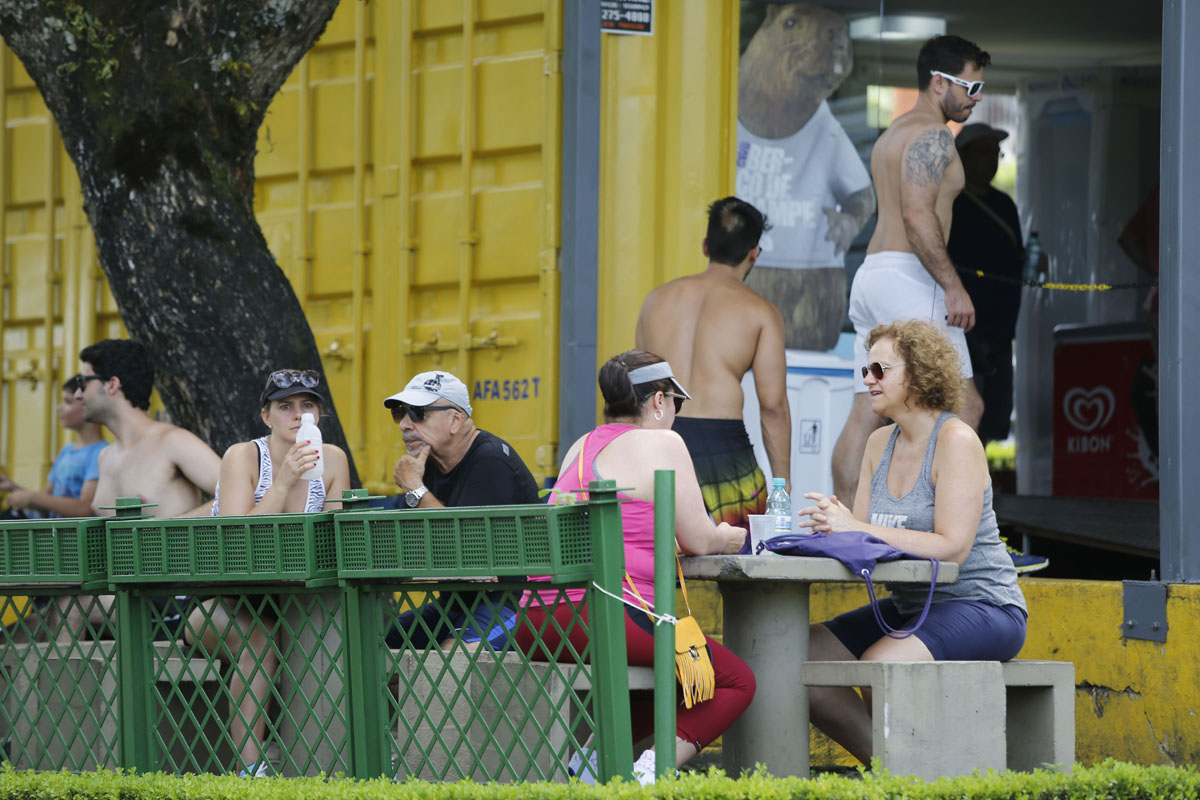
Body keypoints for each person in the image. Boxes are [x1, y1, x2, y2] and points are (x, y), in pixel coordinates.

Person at [515, 350, 754, 784]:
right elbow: (700, 541)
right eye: (675, 403)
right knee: (735, 680)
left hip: (537, 622)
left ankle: (587, 768)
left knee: (661, 679)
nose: (676, 414)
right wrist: (728, 536)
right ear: (659, 400)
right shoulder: (663, 443)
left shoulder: (580, 447)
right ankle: (650, 773)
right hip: (603, 617)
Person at [798, 320, 1027, 765]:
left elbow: (953, 547)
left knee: (880, 662)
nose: (868, 380)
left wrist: (855, 528)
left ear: (919, 374)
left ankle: (904, 775)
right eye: (865, 370)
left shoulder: (956, 440)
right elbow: (863, 540)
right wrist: (830, 527)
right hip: (912, 606)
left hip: (983, 605)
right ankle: (892, 769)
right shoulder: (878, 443)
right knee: (797, 653)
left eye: (880, 370)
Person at [831, 34, 989, 505]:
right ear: (939, 82)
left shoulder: (892, 133)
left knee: (867, 409)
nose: (976, 99)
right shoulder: (933, 136)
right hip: (909, 279)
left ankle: (848, 523)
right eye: (971, 88)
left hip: (872, 275)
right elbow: (917, 215)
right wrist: (953, 287)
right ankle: (933, 518)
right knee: (966, 407)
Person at [192, 369, 351, 777]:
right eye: (285, 407)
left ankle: (350, 760)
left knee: (342, 630)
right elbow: (234, 540)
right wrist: (282, 483)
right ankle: (250, 770)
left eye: (308, 405)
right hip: (223, 602)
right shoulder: (243, 456)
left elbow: (335, 539)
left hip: (298, 601)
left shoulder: (332, 458)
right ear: (267, 416)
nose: (298, 415)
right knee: (260, 639)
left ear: (319, 415)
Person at [636, 197, 790, 543]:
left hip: (660, 442)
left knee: (660, 550)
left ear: (706, 246)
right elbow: (773, 407)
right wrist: (784, 487)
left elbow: (638, 391)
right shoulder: (762, 312)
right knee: (738, 554)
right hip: (725, 453)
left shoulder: (655, 301)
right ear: (754, 253)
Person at [736, 2, 875, 350]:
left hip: (808, 296)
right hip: (740, 283)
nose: (835, 38)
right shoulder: (724, 110)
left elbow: (863, 197)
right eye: (792, 24)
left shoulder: (826, 130)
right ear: (769, 25)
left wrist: (849, 223)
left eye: (839, 34)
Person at [64, 339, 221, 640]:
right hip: (124, 597)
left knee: (72, 605)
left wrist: (164, 528)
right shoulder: (105, 457)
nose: (78, 394)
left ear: (112, 384)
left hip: (175, 600)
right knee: (64, 604)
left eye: (83, 382)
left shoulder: (173, 441)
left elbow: (238, 494)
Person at [947, 123, 1050, 574]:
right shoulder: (952, 203)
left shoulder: (1004, 204)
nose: (992, 160)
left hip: (1001, 330)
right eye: (985, 151)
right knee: (966, 415)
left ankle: (978, 506)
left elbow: (1015, 258)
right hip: (966, 330)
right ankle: (964, 513)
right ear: (963, 156)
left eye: (997, 153)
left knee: (991, 418)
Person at [383, 370, 540, 650]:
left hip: (510, 602)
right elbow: (411, 545)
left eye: (417, 413)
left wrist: (415, 489)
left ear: (455, 420)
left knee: (449, 663)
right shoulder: (426, 465)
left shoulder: (491, 460)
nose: (405, 424)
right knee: (376, 649)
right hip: (455, 603)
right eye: (399, 413)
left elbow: (467, 551)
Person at [0, 374, 107, 518]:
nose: (59, 407)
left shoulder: (101, 453)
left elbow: (85, 509)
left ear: (85, 402)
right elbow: (47, 504)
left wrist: (32, 496)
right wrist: (14, 487)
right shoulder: (66, 451)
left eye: (68, 401)